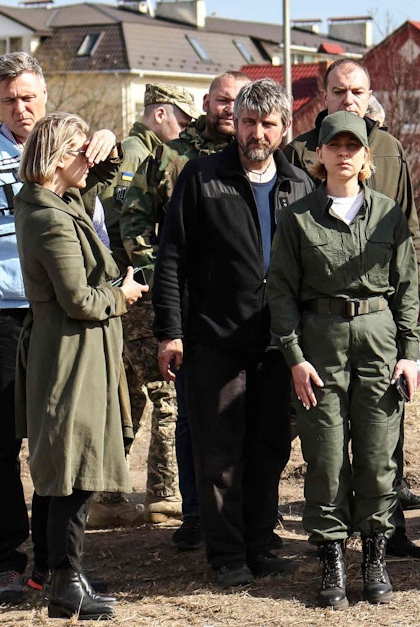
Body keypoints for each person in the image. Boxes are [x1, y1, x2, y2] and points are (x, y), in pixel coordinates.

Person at [0, 52, 120, 603]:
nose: (20, 108)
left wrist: (108, 137)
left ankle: (53, 565)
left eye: (28, 98)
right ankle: (3, 559)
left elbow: (96, 229)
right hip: (2, 317)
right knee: (1, 444)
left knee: (59, 444)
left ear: (44, 96)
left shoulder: (73, 151)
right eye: (8, 99)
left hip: (63, 317)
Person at [152, 79, 313, 587]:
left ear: (284, 129)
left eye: (268, 124)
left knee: (269, 447)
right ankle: (225, 555)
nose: (257, 133)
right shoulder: (201, 177)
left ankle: (260, 544)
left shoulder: (300, 184)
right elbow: (171, 258)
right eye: (249, 123)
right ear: (235, 125)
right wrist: (170, 331)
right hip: (212, 339)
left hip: (276, 342)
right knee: (219, 450)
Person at [283, 58, 420, 559]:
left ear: (369, 94)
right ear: (323, 95)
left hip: (377, 318)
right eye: (338, 90)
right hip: (320, 317)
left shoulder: (390, 150)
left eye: (357, 91)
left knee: (381, 436)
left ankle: (386, 533)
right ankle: (329, 540)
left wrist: (412, 318)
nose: (348, 99)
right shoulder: (297, 153)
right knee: (324, 443)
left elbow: (407, 230)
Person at [268, 112, 420, 608]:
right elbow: (282, 293)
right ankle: (332, 556)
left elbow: (408, 287)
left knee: (378, 456)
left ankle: (374, 554)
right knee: (326, 457)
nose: (343, 154)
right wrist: (293, 355)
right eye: (333, 146)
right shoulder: (297, 218)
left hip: (378, 341)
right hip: (320, 344)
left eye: (352, 146)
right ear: (319, 156)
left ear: (365, 157)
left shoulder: (387, 215)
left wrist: (410, 354)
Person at [15, 112, 145, 621]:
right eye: (81, 151)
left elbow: (105, 182)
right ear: (57, 156)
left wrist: (108, 146)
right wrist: (123, 294)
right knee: (73, 469)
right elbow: (78, 299)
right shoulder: (49, 216)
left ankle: (55, 572)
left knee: (62, 467)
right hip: (71, 351)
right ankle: (66, 583)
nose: (88, 163)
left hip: (76, 349)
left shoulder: (57, 200)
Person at [137, 70, 253, 552]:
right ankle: (194, 513)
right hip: (188, 310)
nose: (230, 110)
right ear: (206, 102)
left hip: (239, 311)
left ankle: (241, 514)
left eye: (239, 103)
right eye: (223, 101)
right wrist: (166, 288)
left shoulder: (260, 156)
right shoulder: (171, 155)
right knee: (190, 418)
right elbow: (139, 222)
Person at [113, 82, 197, 526]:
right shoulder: (138, 153)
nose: (183, 131)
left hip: (128, 289)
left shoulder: (142, 151)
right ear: (161, 113)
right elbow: (129, 225)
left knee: (128, 394)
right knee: (168, 392)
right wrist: (158, 276)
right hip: (138, 290)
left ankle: (107, 494)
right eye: (181, 122)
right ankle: (164, 494)